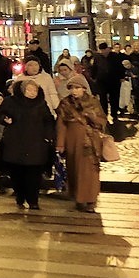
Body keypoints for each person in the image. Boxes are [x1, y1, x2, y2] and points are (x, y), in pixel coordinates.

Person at [0, 79, 57, 210]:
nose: (32, 93)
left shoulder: (41, 104)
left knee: (34, 175)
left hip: (36, 144)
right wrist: (5, 119)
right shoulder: (11, 102)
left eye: (34, 90)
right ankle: (20, 196)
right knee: (17, 174)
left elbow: (48, 121)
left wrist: (48, 137)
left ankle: (33, 200)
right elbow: (0, 114)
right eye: (29, 90)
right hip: (15, 143)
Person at [56, 73, 107, 212]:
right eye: (72, 88)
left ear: (84, 88)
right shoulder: (65, 103)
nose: (74, 91)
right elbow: (61, 124)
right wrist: (60, 143)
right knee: (75, 169)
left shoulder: (93, 102)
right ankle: (79, 197)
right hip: (73, 141)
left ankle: (90, 199)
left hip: (90, 141)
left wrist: (93, 118)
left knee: (91, 170)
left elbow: (102, 120)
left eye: (77, 88)